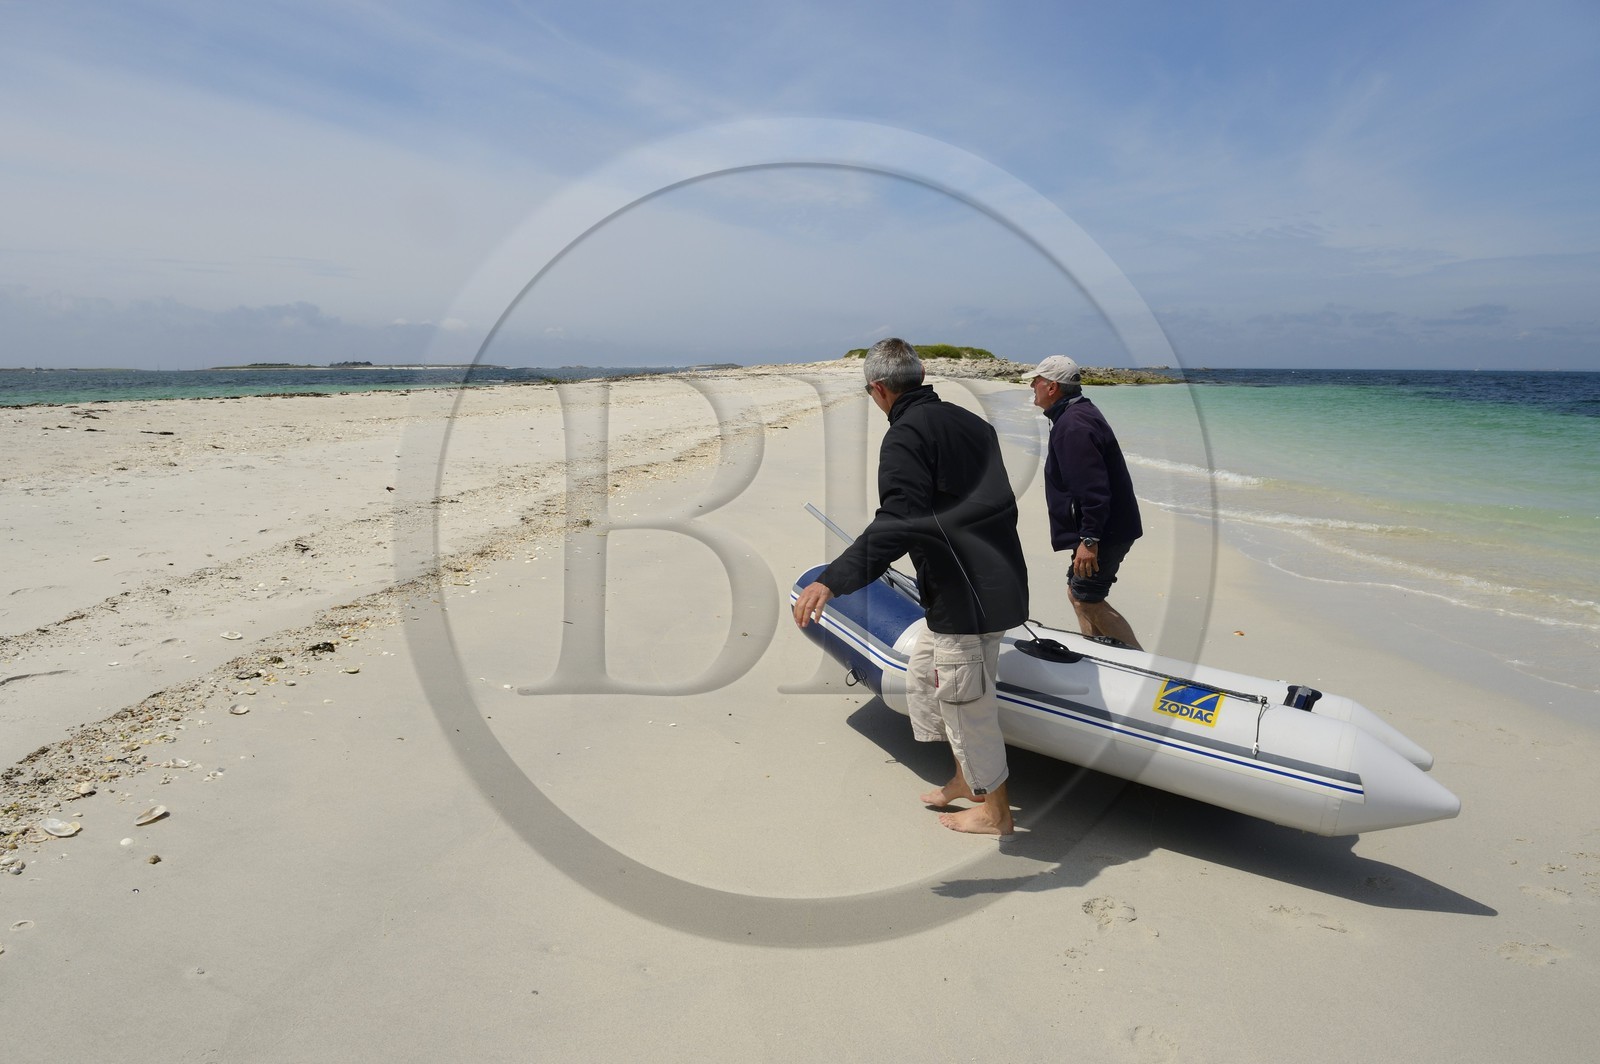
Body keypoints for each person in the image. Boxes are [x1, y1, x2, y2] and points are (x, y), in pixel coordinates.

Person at [793, 339, 1029, 837]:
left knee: (967, 704)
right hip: (993, 580)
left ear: (878, 389)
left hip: (965, 595)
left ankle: (997, 812)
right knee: (925, 670)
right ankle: (966, 777)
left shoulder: (905, 436)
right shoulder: (974, 425)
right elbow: (999, 506)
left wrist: (833, 580)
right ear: (919, 376)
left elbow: (898, 521)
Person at [1031, 354, 1144, 651]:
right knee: (1078, 592)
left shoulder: (1074, 425)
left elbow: (1094, 490)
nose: (1032, 385)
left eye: (1037, 381)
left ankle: (1139, 663)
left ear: (1052, 387)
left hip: (1104, 531)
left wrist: (1090, 539)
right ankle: (1095, 651)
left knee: (1086, 598)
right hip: (1104, 527)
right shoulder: (1076, 414)